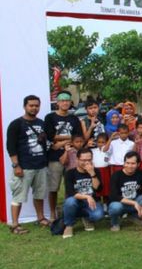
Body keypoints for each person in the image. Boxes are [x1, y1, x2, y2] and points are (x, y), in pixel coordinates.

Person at [7, 95, 49, 234]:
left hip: (41, 165)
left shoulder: (42, 123)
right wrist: (16, 165)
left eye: (36, 105)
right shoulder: (16, 124)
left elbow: (45, 143)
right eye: (31, 105)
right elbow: (11, 147)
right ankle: (15, 224)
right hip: (24, 166)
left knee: (39, 194)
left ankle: (41, 217)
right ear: (25, 106)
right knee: (18, 196)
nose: (34, 108)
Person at [44, 90, 84, 220]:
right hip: (54, 157)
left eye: (67, 100)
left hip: (72, 156)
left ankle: (69, 211)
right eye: (62, 100)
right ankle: (52, 213)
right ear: (57, 102)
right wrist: (68, 139)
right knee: (53, 187)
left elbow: (78, 137)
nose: (65, 103)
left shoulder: (74, 118)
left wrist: (60, 143)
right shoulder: (50, 117)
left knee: (70, 186)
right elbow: (50, 135)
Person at [62, 148, 104, 238]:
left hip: (91, 202)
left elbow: (98, 189)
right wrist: (87, 197)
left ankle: (87, 218)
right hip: (76, 200)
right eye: (83, 160)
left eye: (89, 160)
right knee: (70, 202)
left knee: (99, 215)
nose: (87, 162)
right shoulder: (70, 173)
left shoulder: (95, 171)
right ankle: (69, 225)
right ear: (77, 159)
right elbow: (70, 192)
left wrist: (92, 174)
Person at [107, 151, 142, 231]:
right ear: (124, 163)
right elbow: (114, 196)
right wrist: (134, 203)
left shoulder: (141, 173)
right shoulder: (116, 175)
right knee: (115, 207)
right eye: (127, 163)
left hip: (134, 199)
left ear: (138, 164)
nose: (130, 166)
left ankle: (134, 216)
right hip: (120, 203)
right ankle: (115, 223)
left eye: (133, 163)